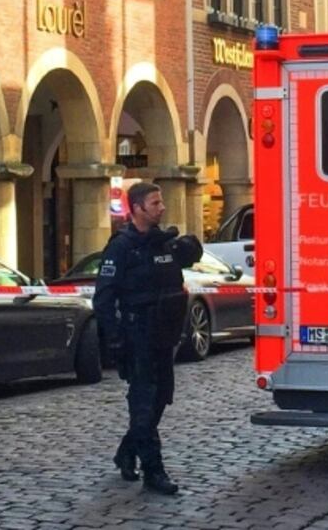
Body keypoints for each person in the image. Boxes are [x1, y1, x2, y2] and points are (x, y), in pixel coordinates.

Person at [93, 182, 202, 495]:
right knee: (143, 403)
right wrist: (115, 339)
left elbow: (186, 261)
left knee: (160, 399)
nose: (162, 207)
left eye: (161, 201)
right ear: (137, 208)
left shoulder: (162, 243)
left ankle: (127, 451)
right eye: (155, 203)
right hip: (137, 335)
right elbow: (103, 298)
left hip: (164, 335)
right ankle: (154, 471)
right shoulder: (122, 247)